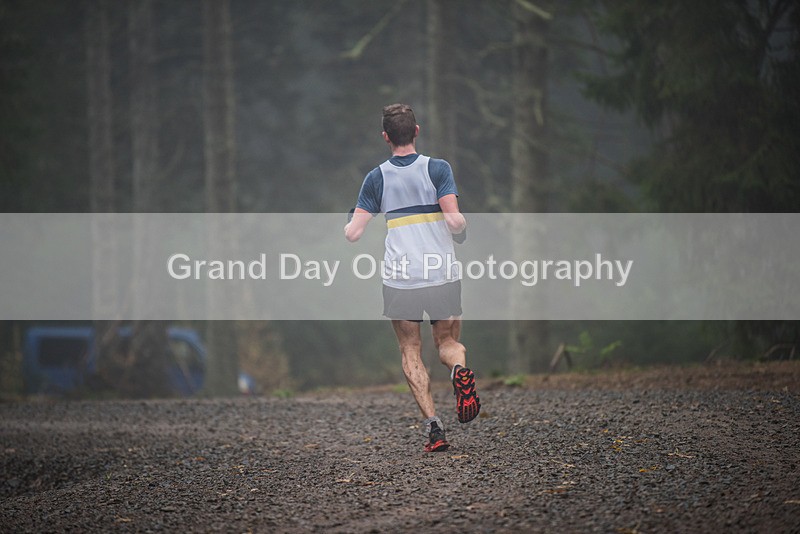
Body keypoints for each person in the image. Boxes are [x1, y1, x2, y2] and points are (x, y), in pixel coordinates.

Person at [344, 103, 480, 452]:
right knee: (448, 343)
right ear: (416, 132)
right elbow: (455, 221)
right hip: (441, 273)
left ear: (386, 137)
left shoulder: (376, 178)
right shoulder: (438, 169)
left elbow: (353, 234)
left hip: (401, 277)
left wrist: (352, 217)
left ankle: (435, 429)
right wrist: (459, 227)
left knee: (410, 348)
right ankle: (458, 371)